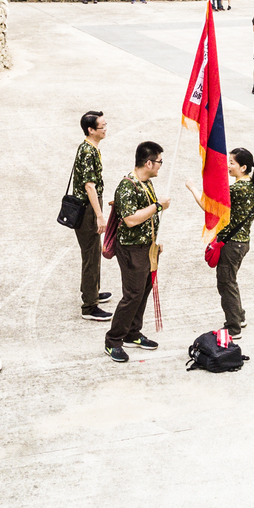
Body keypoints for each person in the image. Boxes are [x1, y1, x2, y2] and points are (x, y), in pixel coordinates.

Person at [105, 142, 171, 363]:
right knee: (132, 295)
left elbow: (148, 217)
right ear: (149, 162)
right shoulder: (127, 186)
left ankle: (132, 332)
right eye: (159, 161)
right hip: (132, 249)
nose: (161, 166)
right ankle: (113, 340)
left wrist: (156, 240)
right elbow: (131, 220)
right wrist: (158, 206)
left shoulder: (147, 182)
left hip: (147, 247)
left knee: (143, 291)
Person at [187, 148, 254, 339]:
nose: (227, 166)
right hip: (241, 243)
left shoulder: (237, 189)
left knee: (226, 283)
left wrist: (193, 188)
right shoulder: (250, 184)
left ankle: (233, 328)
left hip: (232, 245)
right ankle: (239, 316)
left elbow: (207, 205)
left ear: (243, 167)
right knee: (230, 281)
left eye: (232, 163)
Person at [71, 112, 114, 321]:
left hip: (87, 207)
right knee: (91, 255)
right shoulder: (88, 151)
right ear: (91, 130)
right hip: (87, 209)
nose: (106, 129)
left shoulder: (90, 147)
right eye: (102, 126)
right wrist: (99, 215)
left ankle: (91, 291)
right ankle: (89, 306)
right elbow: (89, 185)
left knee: (93, 252)